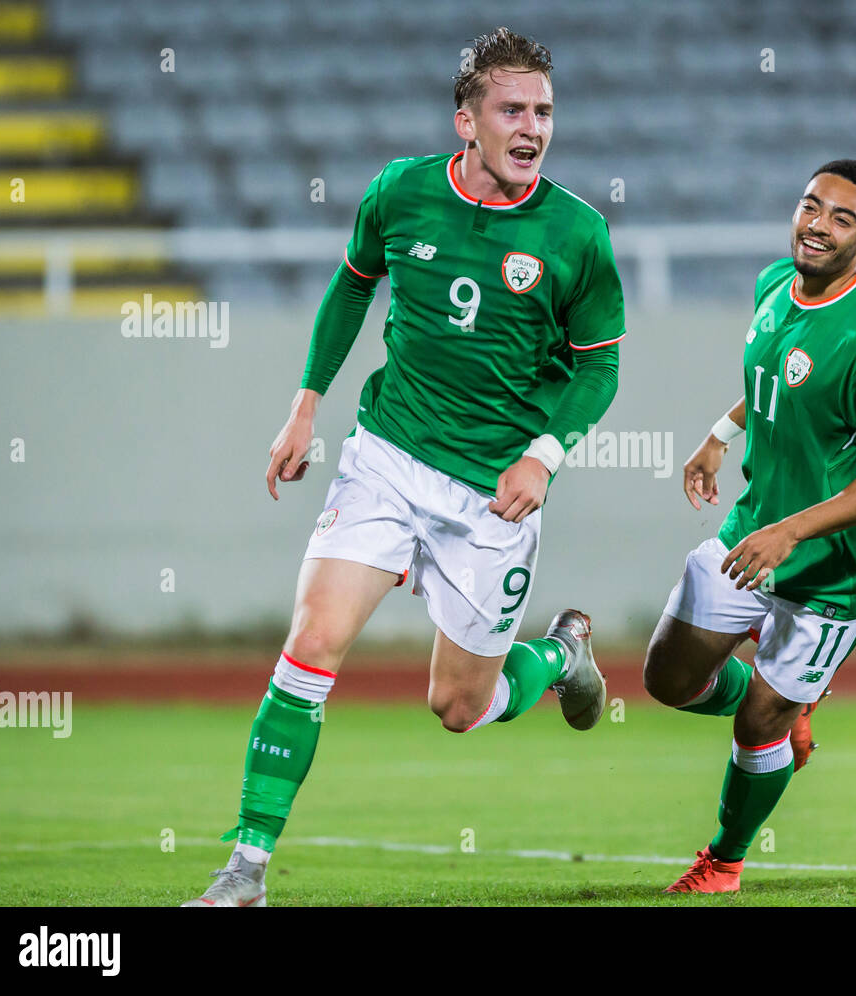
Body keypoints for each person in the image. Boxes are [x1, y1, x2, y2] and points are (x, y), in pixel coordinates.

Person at [183, 27, 625, 907]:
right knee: (310, 645)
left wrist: (544, 455)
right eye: (512, 110)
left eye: (543, 111)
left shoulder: (578, 233)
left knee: (459, 706)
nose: (531, 127)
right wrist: (306, 402)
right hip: (385, 459)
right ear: (467, 120)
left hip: (492, 493)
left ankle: (560, 653)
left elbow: (599, 364)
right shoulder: (400, 192)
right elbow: (353, 282)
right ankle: (246, 872)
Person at [643, 160, 856, 894]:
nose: (818, 225)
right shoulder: (776, 282)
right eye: (811, 206)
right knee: (667, 679)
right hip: (754, 526)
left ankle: (725, 859)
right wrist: (719, 435)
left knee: (756, 721)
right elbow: (770, 382)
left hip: (836, 569)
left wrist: (794, 532)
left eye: (842, 219)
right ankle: (788, 699)